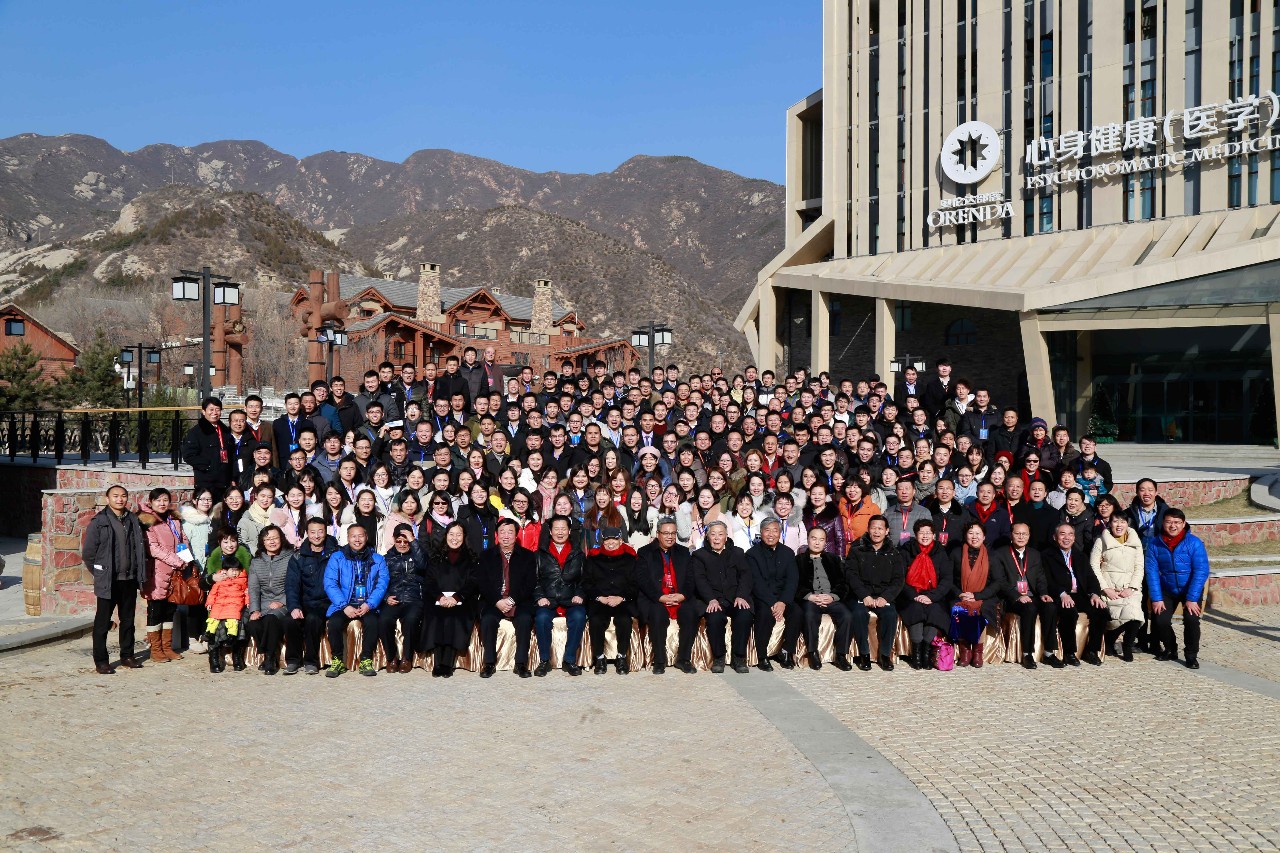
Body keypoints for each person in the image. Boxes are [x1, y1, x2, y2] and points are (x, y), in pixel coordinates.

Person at [82, 484, 149, 674]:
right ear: (107, 499)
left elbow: (138, 549)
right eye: (115, 496)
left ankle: (127, 655)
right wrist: (101, 572)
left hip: (129, 579)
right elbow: (88, 554)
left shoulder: (132, 520)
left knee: (128, 620)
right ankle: (101, 661)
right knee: (102, 622)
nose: (120, 499)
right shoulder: (99, 521)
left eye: (123, 496)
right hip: (108, 580)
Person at [1146, 508, 1210, 669]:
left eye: (1177, 522)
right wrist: (1156, 598)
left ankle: (1191, 655)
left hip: (1190, 588)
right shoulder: (1155, 543)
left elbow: (1201, 570)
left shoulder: (1194, 543)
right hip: (1167, 587)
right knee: (1160, 619)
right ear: (1163, 523)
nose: (1172, 526)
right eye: (1169, 522)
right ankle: (1170, 648)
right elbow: (1151, 571)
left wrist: (1192, 598)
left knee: (1191, 620)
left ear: (1183, 524)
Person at [992, 522, 1061, 669]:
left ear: (1029, 536)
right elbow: (1000, 581)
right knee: (1029, 609)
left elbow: (1041, 578)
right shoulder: (1000, 554)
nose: (1021, 537)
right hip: (1011, 597)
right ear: (1011, 535)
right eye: (1017, 533)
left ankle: (1049, 653)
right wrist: (1017, 595)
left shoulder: (1035, 554)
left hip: (1033, 595)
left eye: (1024, 534)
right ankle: (1027, 654)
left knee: (1050, 606)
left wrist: (1043, 594)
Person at [635, 517, 699, 674]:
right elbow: (642, 580)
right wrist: (659, 597)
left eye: (673, 533)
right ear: (658, 534)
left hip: (679, 596)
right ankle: (659, 660)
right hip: (656, 597)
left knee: (691, 613)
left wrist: (683, 595)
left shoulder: (684, 552)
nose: (670, 537)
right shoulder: (644, 552)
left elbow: (691, 579)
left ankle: (683, 659)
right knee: (657, 614)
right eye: (666, 533)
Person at [323, 525, 388, 678]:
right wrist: (344, 606)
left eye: (360, 536)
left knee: (372, 622)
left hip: (367, 604)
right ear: (348, 538)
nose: (357, 540)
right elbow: (330, 583)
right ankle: (337, 660)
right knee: (334, 623)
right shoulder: (337, 558)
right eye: (353, 536)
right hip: (345, 603)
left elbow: (382, 583)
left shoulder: (377, 559)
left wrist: (369, 604)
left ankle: (366, 659)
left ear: (366, 537)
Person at [690, 519, 754, 673]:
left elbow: (746, 576)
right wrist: (710, 599)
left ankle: (739, 657)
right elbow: (700, 580)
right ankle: (719, 657)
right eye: (713, 534)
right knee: (715, 617)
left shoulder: (737, 553)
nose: (717, 538)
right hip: (713, 599)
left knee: (744, 615)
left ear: (726, 536)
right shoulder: (699, 555)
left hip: (735, 598)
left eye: (720, 534)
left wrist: (741, 595)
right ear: (707, 536)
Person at [476, 517, 538, 678]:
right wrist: (497, 601)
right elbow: (482, 583)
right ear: (496, 535)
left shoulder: (527, 556)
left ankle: (521, 663)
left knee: (524, 619)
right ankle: (489, 662)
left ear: (516, 535)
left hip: (518, 600)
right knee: (488, 619)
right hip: (494, 600)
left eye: (510, 532)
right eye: (502, 532)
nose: (506, 536)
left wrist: (512, 600)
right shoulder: (486, 556)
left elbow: (530, 583)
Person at [139, 487, 195, 664]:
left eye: (165, 500)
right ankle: (156, 649)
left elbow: (182, 540)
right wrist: (177, 561)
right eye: (158, 500)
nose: (162, 503)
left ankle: (167, 646)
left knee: (170, 610)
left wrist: (186, 559)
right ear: (151, 502)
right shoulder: (147, 521)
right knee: (156, 610)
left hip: (174, 573)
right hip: (156, 572)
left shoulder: (173, 519)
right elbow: (153, 548)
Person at [1041, 522, 1108, 667]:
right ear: (1055, 537)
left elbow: (1091, 578)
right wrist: (1062, 593)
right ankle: (1069, 653)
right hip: (1060, 594)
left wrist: (1095, 594)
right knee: (1069, 612)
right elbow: (1046, 580)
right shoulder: (1047, 555)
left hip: (1081, 594)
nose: (1067, 538)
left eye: (1070, 534)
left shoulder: (1080, 555)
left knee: (1101, 611)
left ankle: (1091, 651)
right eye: (1062, 534)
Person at [845, 516, 905, 671]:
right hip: (861, 595)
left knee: (890, 614)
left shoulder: (894, 553)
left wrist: (885, 597)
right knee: (858, 614)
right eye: (873, 528)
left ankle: (885, 655)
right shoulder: (857, 549)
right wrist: (864, 595)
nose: (876, 532)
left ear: (887, 531)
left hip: (883, 595)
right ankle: (864, 654)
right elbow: (851, 575)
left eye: (880, 528)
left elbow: (898, 580)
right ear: (868, 529)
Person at [793, 526, 853, 671]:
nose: (817, 543)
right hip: (810, 599)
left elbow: (843, 583)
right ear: (808, 540)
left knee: (847, 615)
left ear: (826, 542)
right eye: (814, 538)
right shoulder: (798, 560)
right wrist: (810, 596)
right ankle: (813, 653)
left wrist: (832, 597)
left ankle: (841, 655)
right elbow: (794, 584)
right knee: (809, 615)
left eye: (821, 539)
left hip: (830, 598)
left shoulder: (833, 559)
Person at [533, 515, 587, 676]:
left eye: (564, 528)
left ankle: (569, 660)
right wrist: (539, 596)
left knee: (579, 616)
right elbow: (533, 580)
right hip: (547, 599)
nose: (560, 532)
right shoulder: (540, 554)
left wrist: (579, 594)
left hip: (570, 598)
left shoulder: (578, 554)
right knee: (541, 618)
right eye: (556, 528)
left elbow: (585, 580)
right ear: (550, 531)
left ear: (570, 531)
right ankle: (544, 661)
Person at [897, 519, 954, 670]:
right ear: (915, 535)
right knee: (915, 608)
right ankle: (916, 651)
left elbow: (947, 579)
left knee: (935, 610)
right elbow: (899, 578)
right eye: (921, 532)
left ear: (934, 535)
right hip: (911, 594)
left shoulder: (940, 552)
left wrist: (932, 596)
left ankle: (926, 652)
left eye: (928, 532)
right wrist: (913, 595)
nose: (925, 536)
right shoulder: (906, 551)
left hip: (933, 594)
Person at [423, 522, 478, 677]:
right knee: (437, 616)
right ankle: (437, 662)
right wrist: (440, 597)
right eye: (451, 534)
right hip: (438, 599)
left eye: (458, 534)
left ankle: (447, 663)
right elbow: (429, 581)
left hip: (462, 600)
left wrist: (456, 597)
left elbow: (473, 582)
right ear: (446, 536)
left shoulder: (471, 558)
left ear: (464, 537)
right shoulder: (436, 557)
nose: (455, 538)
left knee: (454, 617)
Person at [286, 518, 340, 674]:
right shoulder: (298, 556)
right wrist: (294, 606)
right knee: (291, 620)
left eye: (320, 531)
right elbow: (292, 585)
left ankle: (311, 661)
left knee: (313, 619)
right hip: (305, 601)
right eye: (313, 532)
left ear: (326, 532)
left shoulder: (336, 553)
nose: (317, 536)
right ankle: (293, 661)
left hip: (327, 602)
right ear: (307, 534)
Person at [583, 526, 640, 674]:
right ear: (602, 541)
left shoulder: (630, 559)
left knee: (624, 620)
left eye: (614, 539)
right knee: (596, 620)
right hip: (600, 600)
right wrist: (599, 597)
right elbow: (587, 582)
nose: (610, 543)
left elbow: (635, 584)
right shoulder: (594, 558)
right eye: (607, 539)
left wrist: (621, 598)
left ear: (621, 541)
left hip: (622, 600)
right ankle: (600, 658)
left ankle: (621, 657)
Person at [745, 518, 799, 672]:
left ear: (780, 533)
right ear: (761, 533)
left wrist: (783, 601)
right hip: (763, 597)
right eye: (767, 530)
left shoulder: (788, 553)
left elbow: (792, 580)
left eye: (775, 530)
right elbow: (756, 583)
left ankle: (786, 652)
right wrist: (772, 602)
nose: (771, 534)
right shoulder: (752, 554)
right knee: (764, 615)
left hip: (783, 597)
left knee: (797, 612)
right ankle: (762, 656)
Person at [1090, 513, 1145, 662]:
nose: (1119, 525)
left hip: (1130, 587)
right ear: (1110, 524)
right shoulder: (1101, 541)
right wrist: (1105, 588)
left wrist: (1132, 587)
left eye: (1122, 522)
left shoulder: (1135, 542)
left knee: (1135, 615)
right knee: (1116, 617)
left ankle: (1127, 645)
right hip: (1109, 587)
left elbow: (1139, 567)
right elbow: (1094, 566)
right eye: (1115, 522)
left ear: (1127, 524)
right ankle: (1110, 639)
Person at [247, 525, 294, 676]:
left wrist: (282, 601)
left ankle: (270, 657)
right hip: (263, 601)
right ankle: (268, 652)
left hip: (284, 601)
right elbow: (253, 588)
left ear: (281, 539)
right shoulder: (256, 561)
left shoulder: (292, 557)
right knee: (253, 623)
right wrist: (254, 609)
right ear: (262, 541)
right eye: (268, 539)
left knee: (270, 619)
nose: (272, 542)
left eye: (275, 538)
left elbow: (295, 584)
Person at [380, 523, 426, 673]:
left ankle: (407, 657)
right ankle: (391, 657)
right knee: (384, 620)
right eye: (399, 541)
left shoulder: (417, 555)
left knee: (412, 619)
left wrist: (413, 542)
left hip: (413, 598)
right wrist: (386, 597)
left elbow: (424, 566)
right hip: (393, 598)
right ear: (394, 540)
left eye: (406, 541)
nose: (402, 544)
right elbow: (378, 582)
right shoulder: (386, 558)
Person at [204, 553, 249, 673]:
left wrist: (248, 602)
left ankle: (237, 656)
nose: (235, 573)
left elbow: (247, 592)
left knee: (239, 622)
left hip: (235, 606)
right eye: (232, 570)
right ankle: (213, 657)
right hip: (219, 605)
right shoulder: (215, 562)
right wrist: (209, 602)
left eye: (236, 570)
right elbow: (211, 590)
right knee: (214, 621)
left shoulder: (242, 578)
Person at [181, 397, 234, 498]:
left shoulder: (225, 431)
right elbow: (189, 455)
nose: (215, 412)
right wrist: (209, 466)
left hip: (224, 482)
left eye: (217, 409)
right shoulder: (196, 432)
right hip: (206, 482)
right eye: (211, 409)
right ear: (203, 411)